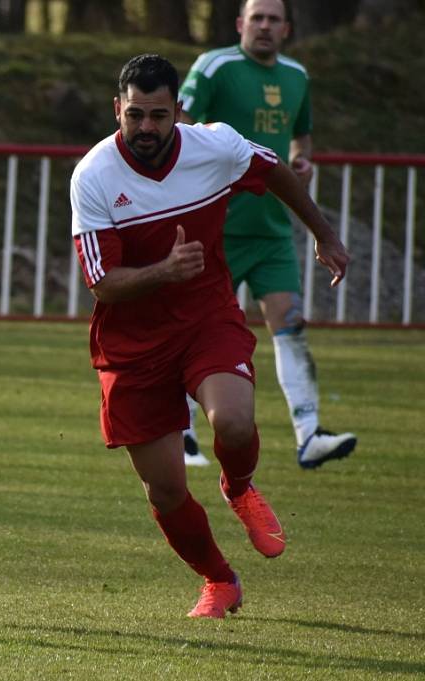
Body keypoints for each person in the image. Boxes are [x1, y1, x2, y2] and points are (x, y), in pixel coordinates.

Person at [70, 53, 350, 618]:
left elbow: (274, 171)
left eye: (158, 115)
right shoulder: (93, 175)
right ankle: (219, 580)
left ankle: (239, 486)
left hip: (205, 317)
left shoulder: (214, 145)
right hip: (132, 343)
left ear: (179, 110)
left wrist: (322, 233)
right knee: (166, 491)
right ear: (116, 109)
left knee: (234, 421)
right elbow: (101, 283)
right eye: (135, 116)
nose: (146, 128)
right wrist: (162, 272)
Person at [179, 0, 357, 469]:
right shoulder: (214, 66)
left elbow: (302, 136)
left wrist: (302, 162)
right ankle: (181, 435)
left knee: (291, 326)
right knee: (193, 328)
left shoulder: (297, 76)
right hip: (217, 226)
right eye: (255, 17)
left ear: (287, 29)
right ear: (240, 24)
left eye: (272, 19)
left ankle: (309, 434)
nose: (263, 26)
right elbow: (176, 120)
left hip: (273, 229)